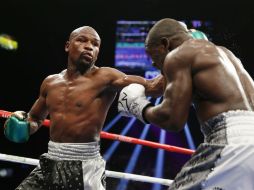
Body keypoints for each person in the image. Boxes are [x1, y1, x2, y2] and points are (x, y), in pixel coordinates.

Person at [4, 26, 164, 190]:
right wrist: (24, 127)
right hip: (49, 161)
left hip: (84, 166)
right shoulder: (50, 82)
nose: (89, 46)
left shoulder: (106, 78)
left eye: (95, 44)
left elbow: (154, 87)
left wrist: (176, 59)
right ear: (67, 46)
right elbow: (36, 118)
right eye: (82, 40)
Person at [118, 18, 254, 190]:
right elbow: (159, 85)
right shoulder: (225, 55)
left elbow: (172, 119)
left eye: (153, 55)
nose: (153, 62)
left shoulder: (178, 55)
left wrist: (139, 107)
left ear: (165, 44)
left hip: (231, 142)